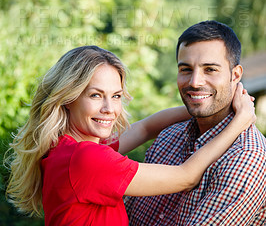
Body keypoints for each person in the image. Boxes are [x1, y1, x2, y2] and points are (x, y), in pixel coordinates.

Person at [5, 45, 255, 226]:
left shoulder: (64, 148)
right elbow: (186, 176)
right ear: (68, 98)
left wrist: (206, 104)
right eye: (95, 95)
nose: (109, 109)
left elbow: (146, 127)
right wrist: (239, 121)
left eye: (115, 96)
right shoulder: (87, 159)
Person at [126, 20, 266, 226]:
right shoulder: (168, 137)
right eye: (185, 69)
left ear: (235, 75)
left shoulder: (246, 158)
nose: (194, 81)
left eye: (210, 69)